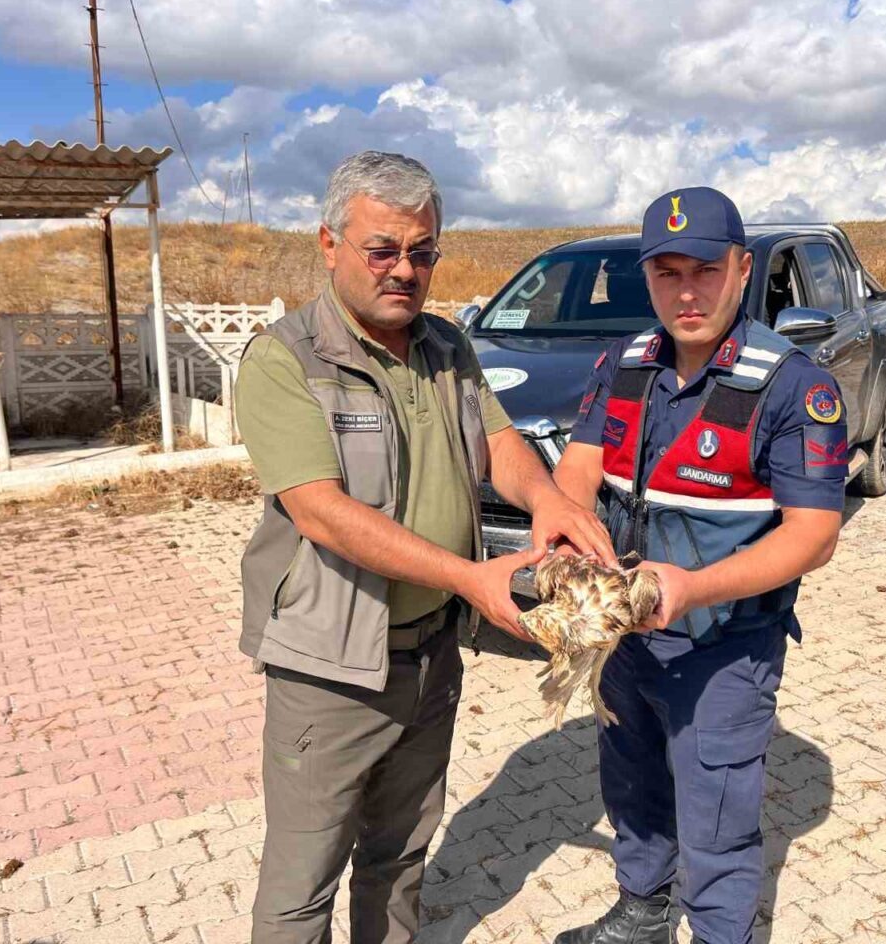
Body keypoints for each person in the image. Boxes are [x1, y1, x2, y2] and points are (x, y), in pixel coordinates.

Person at [234, 150, 615, 944]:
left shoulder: (449, 347)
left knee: (400, 860)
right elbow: (323, 513)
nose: (403, 270)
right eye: (382, 249)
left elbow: (500, 443)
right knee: (302, 886)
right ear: (330, 243)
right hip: (330, 674)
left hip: (430, 658)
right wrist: (471, 578)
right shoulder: (285, 361)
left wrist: (548, 498)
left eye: (422, 251)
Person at [550, 187, 848, 944]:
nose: (686, 292)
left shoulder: (792, 386)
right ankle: (642, 914)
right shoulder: (623, 365)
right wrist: (565, 542)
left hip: (722, 649)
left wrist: (695, 588)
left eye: (706, 270)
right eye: (667, 273)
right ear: (646, 278)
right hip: (626, 638)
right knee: (633, 786)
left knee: (716, 827)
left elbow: (813, 535)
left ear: (742, 270)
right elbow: (577, 472)